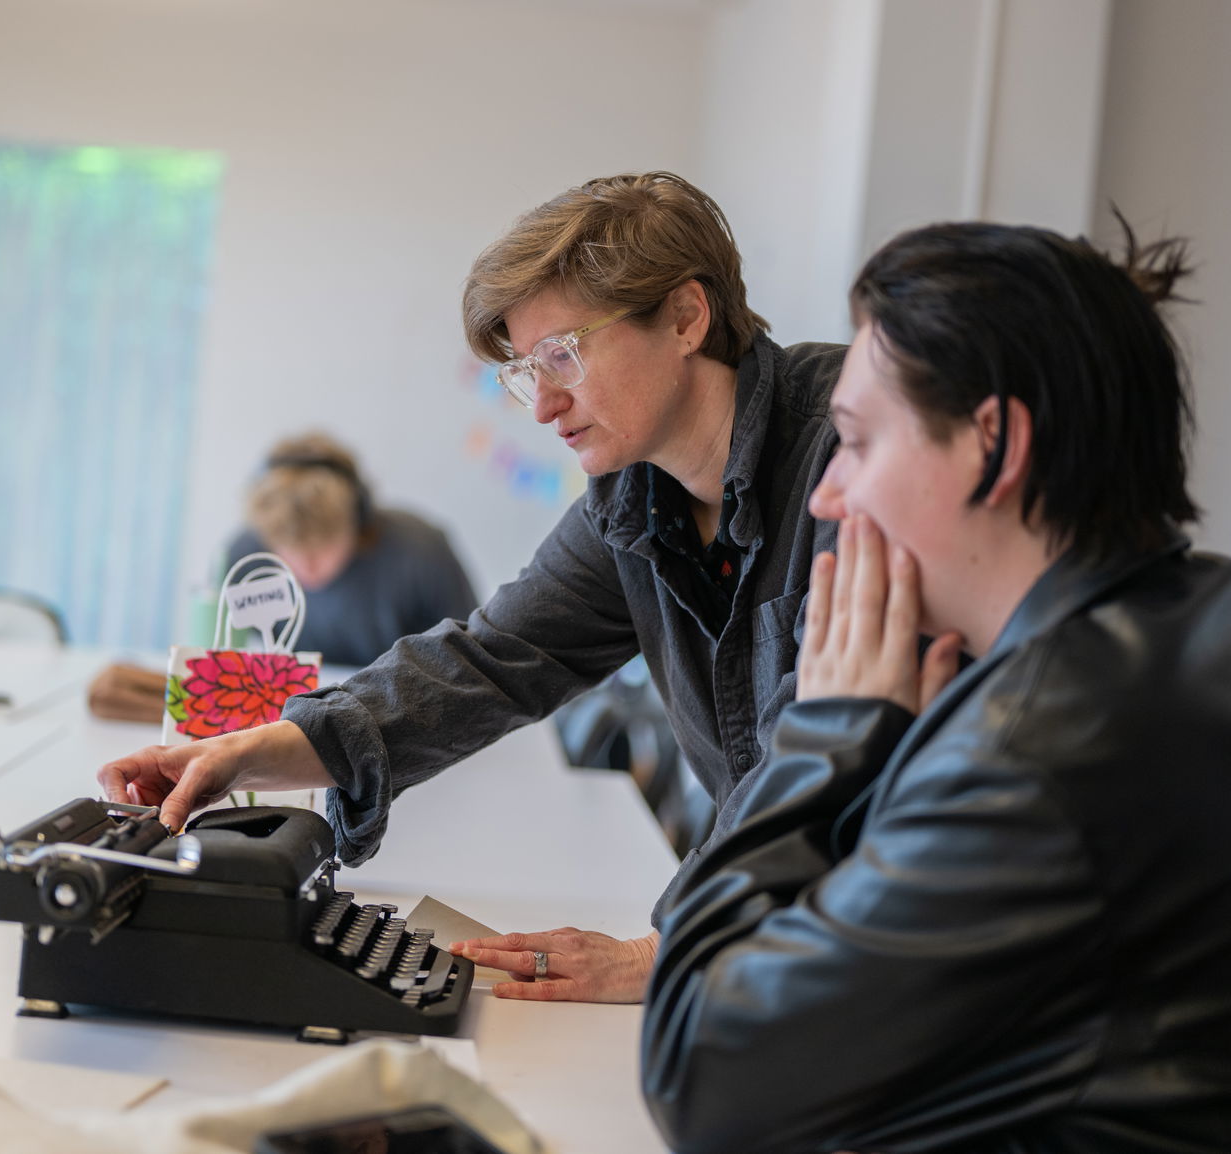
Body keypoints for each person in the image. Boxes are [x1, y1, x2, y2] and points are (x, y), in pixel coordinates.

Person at [640, 220, 1231, 1152]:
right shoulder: (1176, 639)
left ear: (995, 445)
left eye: (858, 444)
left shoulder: (1049, 750)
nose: (829, 497)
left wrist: (823, 739)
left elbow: (704, 1082)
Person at [99, 172, 847, 1002]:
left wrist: (663, 947)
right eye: (526, 371)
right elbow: (493, 658)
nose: (542, 405)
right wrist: (267, 748)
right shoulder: (632, 499)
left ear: (684, 316)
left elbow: (819, 759)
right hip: (784, 931)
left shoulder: (851, 459)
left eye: (564, 353)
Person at [224, 432, 479, 668]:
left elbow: (470, 652)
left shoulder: (421, 552)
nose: (306, 567)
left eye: (322, 547)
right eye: (290, 550)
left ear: (359, 519)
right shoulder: (246, 560)